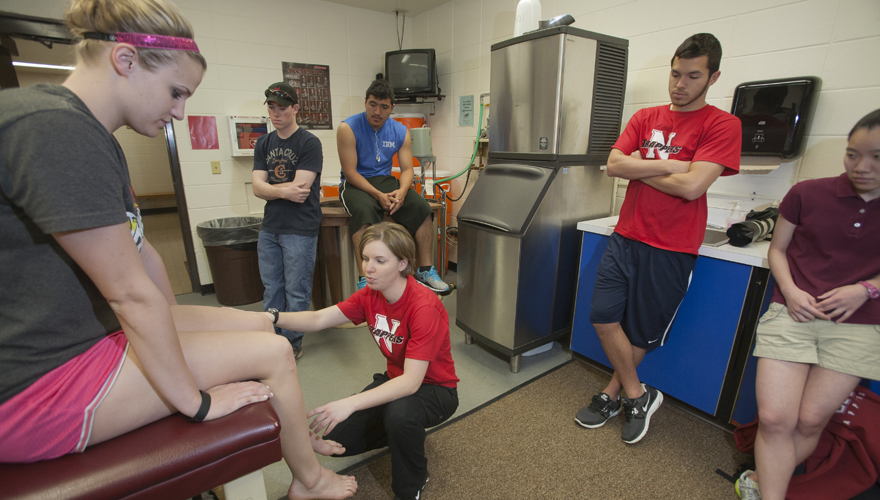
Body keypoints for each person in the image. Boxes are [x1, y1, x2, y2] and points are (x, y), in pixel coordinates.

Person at [0, 1, 357, 498]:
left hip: (91, 335)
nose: (180, 111)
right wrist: (197, 402)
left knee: (263, 320)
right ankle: (309, 481)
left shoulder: (96, 136)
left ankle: (294, 432)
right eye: (175, 92)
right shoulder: (54, 126)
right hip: (38, 386)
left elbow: (142, 256)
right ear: (125, 61)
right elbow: (129, 294)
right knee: (276, 352)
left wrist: (184, 334)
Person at [574, 33, 742, 444]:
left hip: (672, 246)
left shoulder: (723, 125)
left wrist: (643, 165)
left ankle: (613, 393)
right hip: (627, 235)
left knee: (642, 331)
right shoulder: (645, 117)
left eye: (692, 76)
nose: (679, 84)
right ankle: (638, 393)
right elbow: (614, 165)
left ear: (713, 77)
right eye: (674, 74)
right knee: (603, 315)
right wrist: (673, 163)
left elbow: (692, 188)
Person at [735, 109, 880, 500]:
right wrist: (792, 291)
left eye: (877, 157)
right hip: (793, 310)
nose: (861, 166)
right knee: (776, 419)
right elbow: (778, 251)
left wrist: (865, 289)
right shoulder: (808, 193)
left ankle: (764, 482)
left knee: (813, 420)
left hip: (859, 323)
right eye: (853, 154)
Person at [270, 222, 459, 500]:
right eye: (366, 258)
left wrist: (349, 403)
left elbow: (411, 382)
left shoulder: (425, 306)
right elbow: (320, 318)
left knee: (400, 414)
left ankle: (412, 484)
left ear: (402, 264)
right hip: (397, 381)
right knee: (336, 439)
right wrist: (272, 317)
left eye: (380, 261)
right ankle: (405, 434)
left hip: (436, 390)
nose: (368, 268)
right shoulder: (371, 295)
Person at [337, 79, 451, 295]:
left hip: (386, 180)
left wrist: (402, 191)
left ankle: (425, 271)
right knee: (363, 211)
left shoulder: (400, 131)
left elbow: (408, 169)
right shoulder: (348, 127)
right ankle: (364, 281)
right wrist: (378, 195)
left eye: (383, 106)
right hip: (356, 183)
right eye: (372, 104)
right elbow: (350, 172)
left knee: (422, 208)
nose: (377, 111)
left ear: (392, 108)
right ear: (365, 102)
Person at [252, 81, 322, 360]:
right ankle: (272, 339)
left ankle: (292, 344)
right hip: (270, 228)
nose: (276, 112)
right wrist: (281, 190)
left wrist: (271, 190)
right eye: (271, 106)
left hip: (300, 229)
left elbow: (300, 192)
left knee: (297, 291)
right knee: (272, 289)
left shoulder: (308, 143)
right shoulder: (263, 143)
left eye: (282, 107)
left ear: (295, 108)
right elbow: (257, 187)